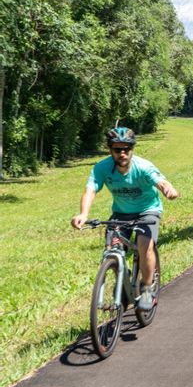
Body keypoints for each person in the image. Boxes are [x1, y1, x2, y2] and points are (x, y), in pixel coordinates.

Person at [71, 127, 179, 310]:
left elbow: (160, 180)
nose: (122, 153)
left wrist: (167, 189)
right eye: (117, 149)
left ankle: (146, 288)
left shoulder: (143, 166)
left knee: (145, 245)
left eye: (126, 149)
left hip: (147, 211)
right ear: (110, 150)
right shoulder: (102, 168)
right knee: (112, 249)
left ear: (132, 149)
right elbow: (90, 190)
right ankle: (121, 274)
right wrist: (83, 214)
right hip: (121, 214)